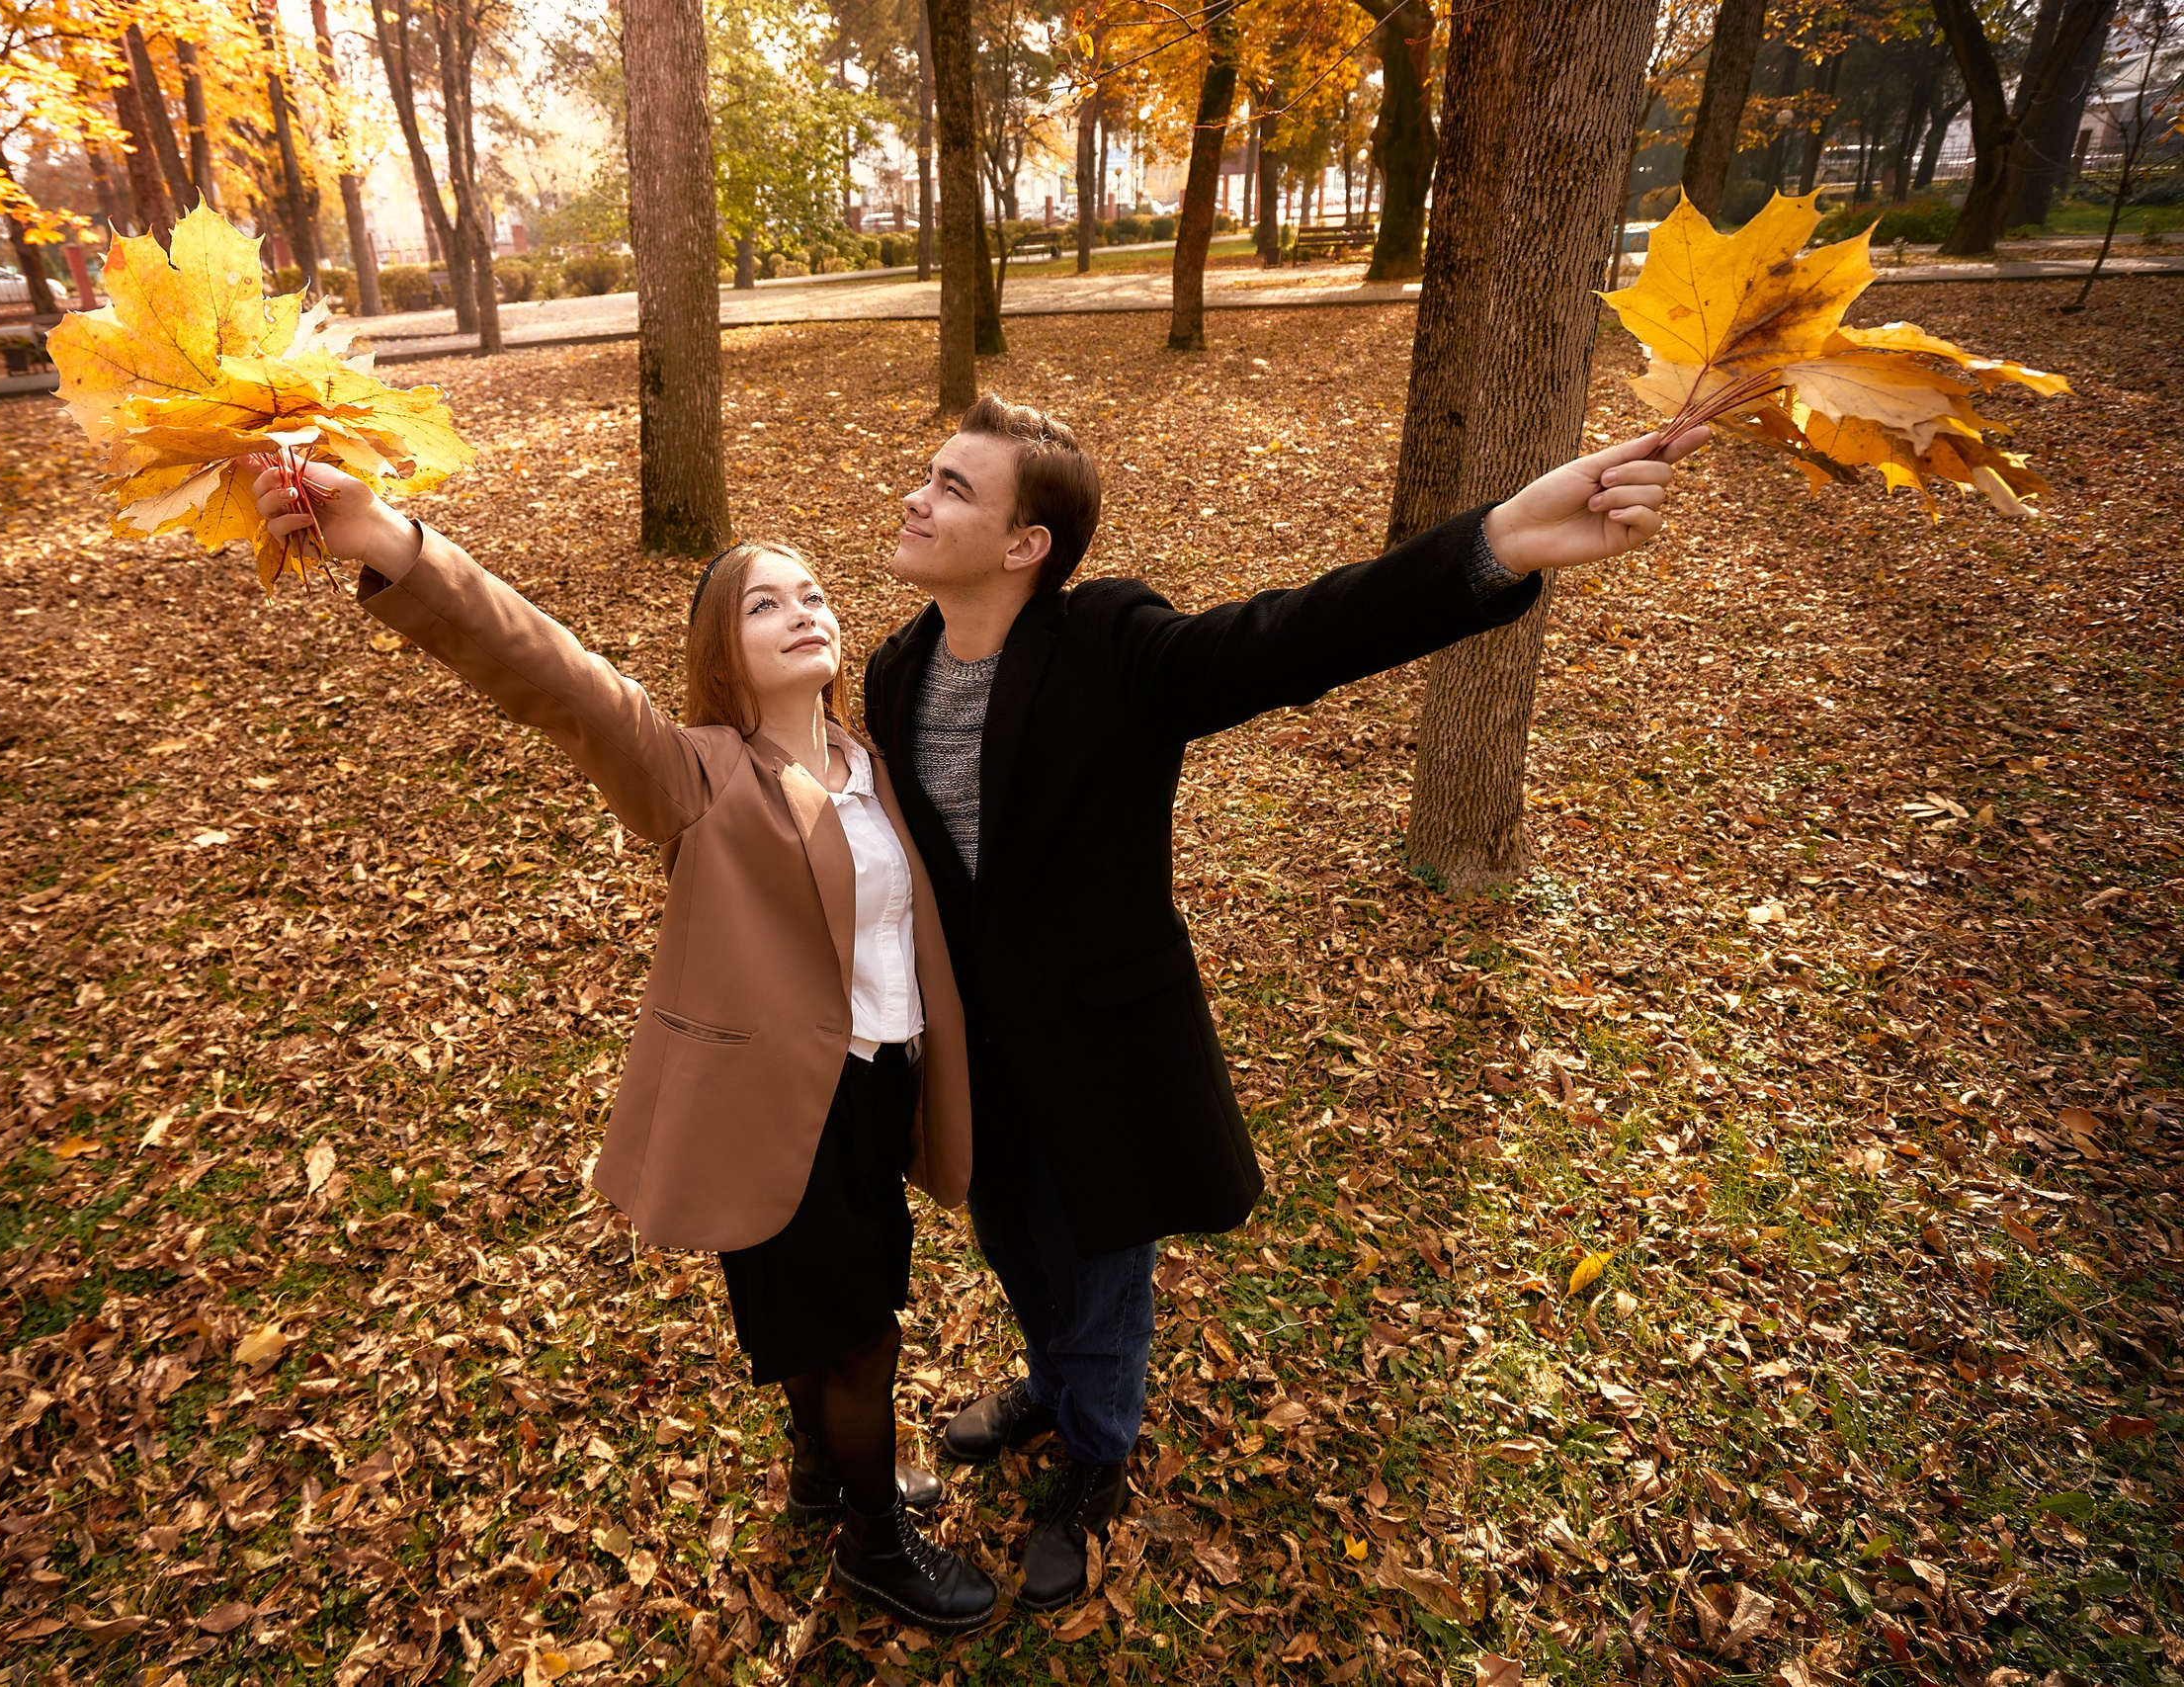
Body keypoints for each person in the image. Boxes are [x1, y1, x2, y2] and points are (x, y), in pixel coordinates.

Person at [862, 396, 1710, 1611]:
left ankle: (1095, 1463)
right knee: (1016, 1249)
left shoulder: (1109, 644)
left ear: (1023, 546)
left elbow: (1297, 635)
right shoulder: (898, 670)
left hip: (1103, 1056)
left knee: (1103, 1272)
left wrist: (1498, 546)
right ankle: (1051, 1388)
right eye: (925, 475)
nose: (915, 496)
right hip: (978, 1056)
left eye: (950, 485)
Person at [244, 457, 1002, 1634]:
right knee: (861, 1343)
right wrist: (386, 537)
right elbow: (550, 673)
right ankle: (875, 1542)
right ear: (719, 657)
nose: (801, 611)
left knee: (825, 1325)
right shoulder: (694, 773)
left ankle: (823, 1472)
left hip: (873, 1097)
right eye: (764, 604)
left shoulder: (873, 770)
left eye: (811, 593)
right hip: (764, 1114)